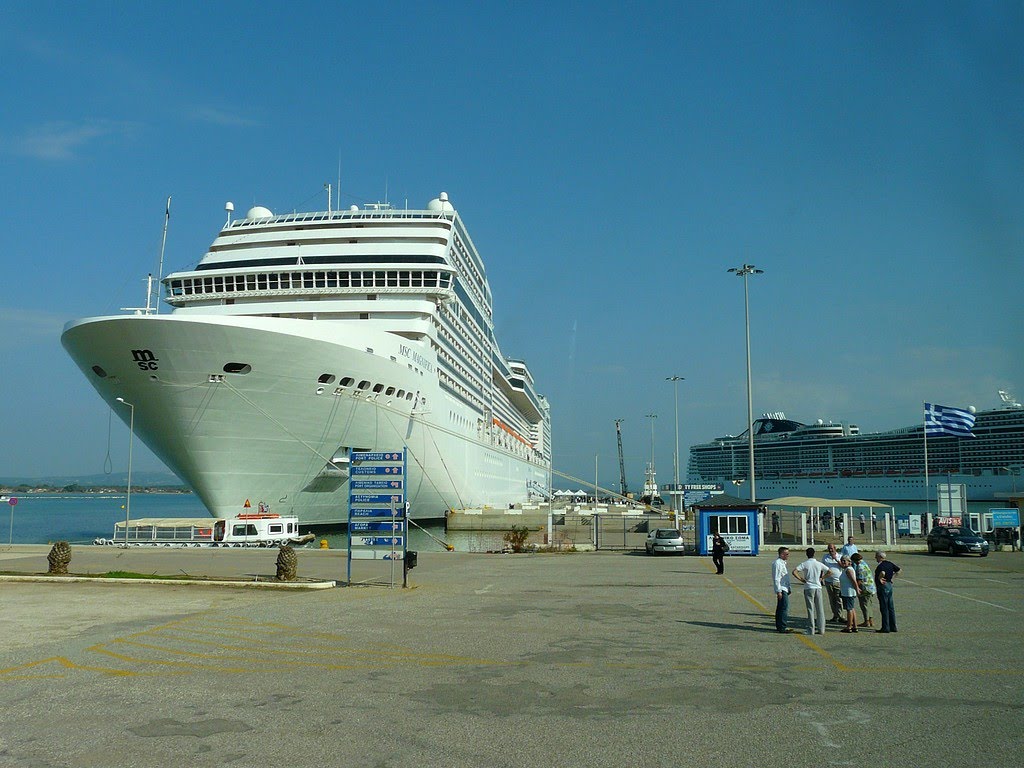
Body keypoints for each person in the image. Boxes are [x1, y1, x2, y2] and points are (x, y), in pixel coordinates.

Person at [792, 547, 829, 635]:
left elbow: (794, 572)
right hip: (818, 587)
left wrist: (801, 579)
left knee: (810, 609)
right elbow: (830, 571)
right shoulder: (818, 564)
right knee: (820, 609)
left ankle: (811, 629)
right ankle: (821, 629)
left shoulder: (805, 564)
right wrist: (822, 578)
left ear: (806, 554)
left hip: (809, 587)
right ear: (814, 553)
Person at [874, 550, 901, 633]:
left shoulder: (881, 566)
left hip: (883, 586)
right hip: (889, 585)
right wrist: (892, 578)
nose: (875, 558)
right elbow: (899, 570)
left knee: (884, 607)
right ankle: (893, 626)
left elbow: (882, 572)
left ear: (880, 557)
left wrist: (879, 578)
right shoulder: (890, 563)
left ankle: (885, 627)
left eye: (876, 556)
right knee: (890, 607)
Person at [852, 552, 875, 628]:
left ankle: (866, 621)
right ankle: (871, 620)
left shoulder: (859, 567)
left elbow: (859, 580)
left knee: (864, 605)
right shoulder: (865, 564)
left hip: (865, 588)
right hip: (871, 587)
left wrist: (856, 588)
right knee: (870, 604)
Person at [838, 556, 861, 633]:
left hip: (849, 592)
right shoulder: (846, 569)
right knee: (852, 608)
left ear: (849, 562)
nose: (843, 562)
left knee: (849, 610)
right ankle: (855, 626)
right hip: (846, 592)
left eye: (844, 561)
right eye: (842, 561)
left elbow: (853, 581)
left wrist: (857, 589)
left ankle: (849, 626)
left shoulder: (849, 570)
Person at [772, 547, 792, 633]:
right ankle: (782, 627)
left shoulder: (783, 563)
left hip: (785, 588)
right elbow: (776, 578)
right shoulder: (778, 563)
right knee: (784, 608)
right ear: (781, 554)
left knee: (781, 607)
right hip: (782, 588)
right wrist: (778, 591)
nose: (788, 555)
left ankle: (780, 626)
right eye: (786, 554)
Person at [822, 543, 843, 622]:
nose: (830, 550)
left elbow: (843, 566)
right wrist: (821, 578)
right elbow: (822, 567)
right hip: (828, 581)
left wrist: (836, 559)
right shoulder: (825, 557)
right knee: (832, 599)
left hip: (838, 581)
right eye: (829, 548)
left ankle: (841, 615)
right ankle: (835, 615)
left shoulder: (840, 556)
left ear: (835, 548)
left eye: (832, 548)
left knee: (839, 599)